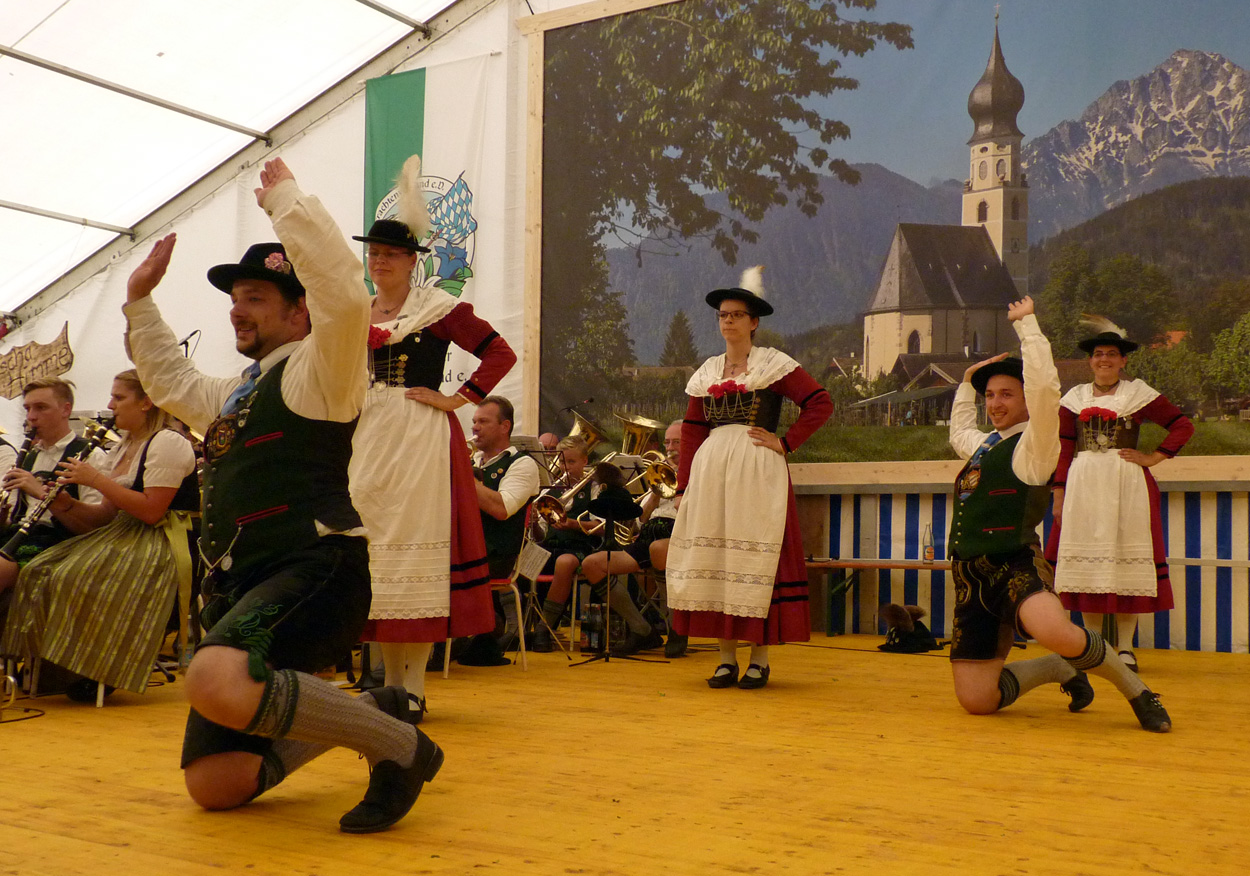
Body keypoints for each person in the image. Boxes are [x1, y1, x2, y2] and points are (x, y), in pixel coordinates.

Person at [123, 157, 440, 834]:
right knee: (218, 784)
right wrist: (139, 301)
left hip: (316, 568)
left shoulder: (322, 368)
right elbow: (172, 381)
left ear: (300, 313)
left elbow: (347, 300)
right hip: (246, 585)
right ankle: (375, 709)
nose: (238, 310)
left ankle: (403, 748)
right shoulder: (236, 394)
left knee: (215, 677)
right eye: (234, 299)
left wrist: (288, 206)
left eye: (257, 297)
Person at [947, 296, 1171, 733]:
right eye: (990, 396)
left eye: (1006, 394)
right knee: (977, 701)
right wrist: (966, 382)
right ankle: (1056, 669)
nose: (995, 403)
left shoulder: (1036, 443)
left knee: (1052, 626)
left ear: (1027, 400)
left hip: (1013, 561)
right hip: (969, 574)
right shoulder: (982, 444)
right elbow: (958, 428)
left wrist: (1026, 326)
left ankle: (1137, 690)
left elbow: (1045, 388)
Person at [349, 157, 516, 720]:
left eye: (391, 254)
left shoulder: (436, 310)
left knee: (414, 558)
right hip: (368, 437)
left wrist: (456, 399)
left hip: (419, 436)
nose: (379, 261)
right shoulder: (359, 313)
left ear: (413, 261)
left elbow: (500, 352)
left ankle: (413, 684)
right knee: (376, 553)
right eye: (374, 253)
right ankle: (385, 682)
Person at [666, 267, 833, 689]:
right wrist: (684, 486)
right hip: (711, 471)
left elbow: (820, 403)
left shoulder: (774, 365)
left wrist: (786, 443)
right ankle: (725, 657)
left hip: (757, 471)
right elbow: (691, 430)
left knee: (755, 556)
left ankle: (759, 658)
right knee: (719, 557)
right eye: (723, 315)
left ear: (754, 322)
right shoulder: (707, 371)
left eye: (737, 315)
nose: (728, 321)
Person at [1, 370, 197, 700]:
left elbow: (151, 511)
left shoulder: (167, 442)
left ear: (146, 402)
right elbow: (104, 516)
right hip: (122, 534)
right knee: (41, 570)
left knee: (66, 575)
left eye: (119, 398)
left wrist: (95, 480)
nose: (110, 405)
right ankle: (52, 670)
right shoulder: (124, 447)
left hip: (157, 540)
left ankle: (89, 669)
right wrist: (64, 503)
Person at [1046, 321, 1193, 673]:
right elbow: (1065, 447)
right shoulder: (1074, 399)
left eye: (1112, 354)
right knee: (1087, 565)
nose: (1104, 360)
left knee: (1126, 559)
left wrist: (1152, 457)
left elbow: (1182, 425)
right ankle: (1092, 646)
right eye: (1098, 355)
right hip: (1083, 486)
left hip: (1126, 486)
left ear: (1124, 361)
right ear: (1090, 361)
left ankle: (1125, 648)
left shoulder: (1139, 394)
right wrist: (1058, 492)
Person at [553, 420, 683, 657]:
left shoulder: (699, 472)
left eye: (677, 442)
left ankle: (675, 629)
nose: (671, 447)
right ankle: (642, 629)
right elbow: (641, 519)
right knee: (593, 564)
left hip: (681, 537)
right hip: (649, 534)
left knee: (658, 549)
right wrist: (657, 489)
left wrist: (681, 484)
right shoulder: (660, 472)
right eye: (667, 442)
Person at [0, 377, 109, 595]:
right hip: (19, 535)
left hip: (60, 543)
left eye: (41, 408)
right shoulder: (29, 457)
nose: (31, 417)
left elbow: (96, 527)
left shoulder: (91, 456)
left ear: (65, 409)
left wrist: (41, 493)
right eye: (28, 408)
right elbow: (18, 514)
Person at [471, 396, 541, 648]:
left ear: (505, 426)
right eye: (474, 422)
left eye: (483, 421)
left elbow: (502, 509)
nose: (475, 427)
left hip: (498, 554)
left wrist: (458, 472)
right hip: (467, 549)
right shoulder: (471, 462)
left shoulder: (522, 463)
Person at [529, 436, 602, 652]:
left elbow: (600, 526)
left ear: (584, 461)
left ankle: (544, 628)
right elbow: (541, 536)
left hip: (581, 547)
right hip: (551, 546)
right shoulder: (550, 490)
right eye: (562, 462)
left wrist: (571, 524)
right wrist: (533, 524)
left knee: (563, 562)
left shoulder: (594, 488)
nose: (566, 467)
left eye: (572, 462)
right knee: (519, 560)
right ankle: (519, 626)